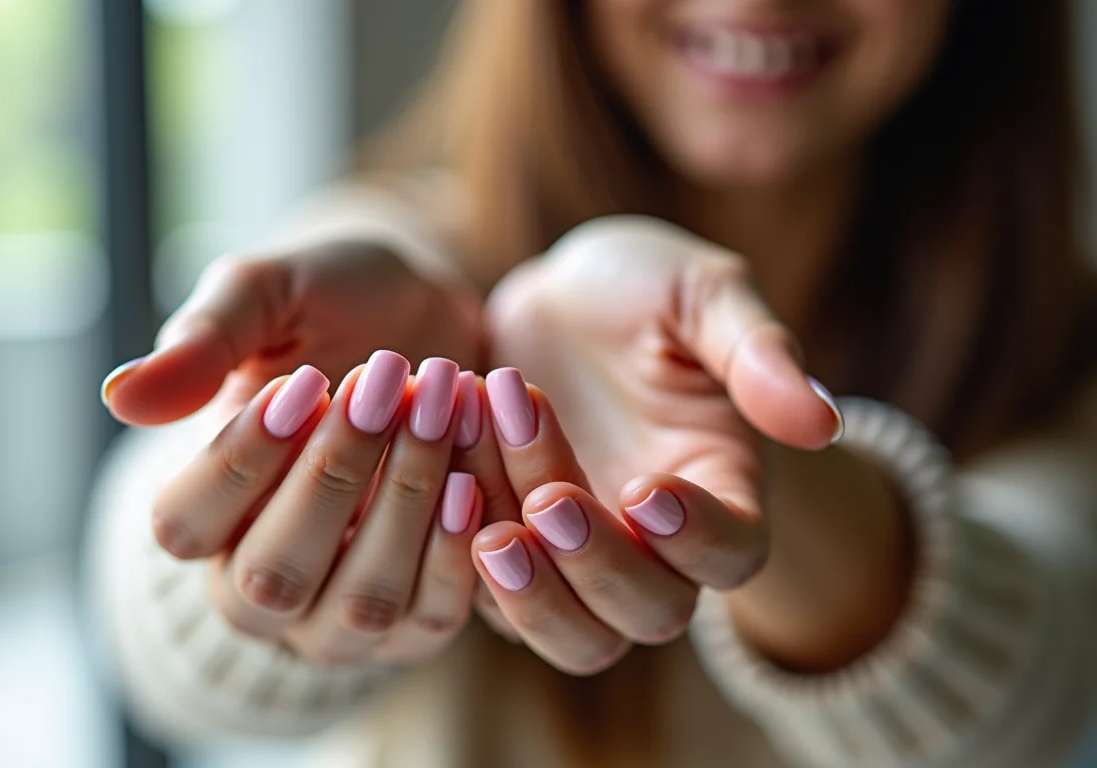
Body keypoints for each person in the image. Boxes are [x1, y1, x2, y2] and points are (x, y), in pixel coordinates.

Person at [86, 0, 1097, 765]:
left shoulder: (1060, 334)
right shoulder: (391, 267)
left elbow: (1040, 690)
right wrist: (263, 505)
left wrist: (748, 454)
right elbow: (149, 616)